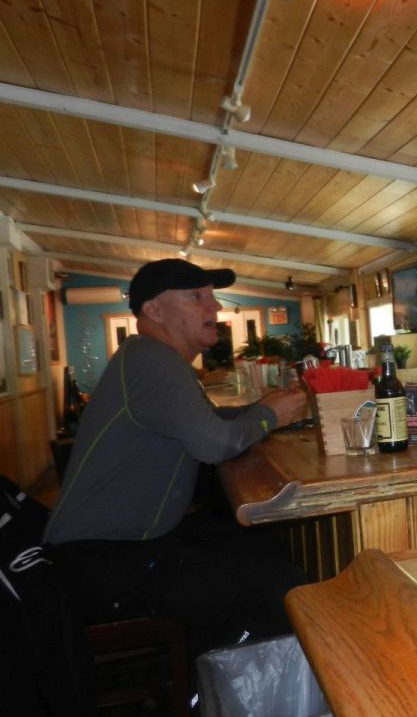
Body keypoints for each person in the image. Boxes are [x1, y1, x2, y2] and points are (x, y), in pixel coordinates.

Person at [44, 258, 310, 652]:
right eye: (196, 297)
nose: (214, 306)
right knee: (282, 587)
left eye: (211, 296)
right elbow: (213, 444)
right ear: (154, 311)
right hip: (103, 561)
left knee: (264, 542)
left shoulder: (150, 357)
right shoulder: (152, 359)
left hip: (130, 543)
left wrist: (264, 411)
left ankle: (211, 653)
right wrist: (268, 416)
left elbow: (205, 422)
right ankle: (220, 682)